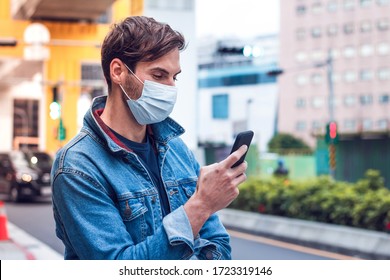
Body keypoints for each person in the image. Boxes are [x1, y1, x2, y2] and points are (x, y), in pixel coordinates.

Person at [51, 16, 248, 260]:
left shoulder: (177, 148)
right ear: (118, 71)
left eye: (174, 77)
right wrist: (202, 205)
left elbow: (218, 243)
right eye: (158, 75)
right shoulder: (76, 167)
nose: (170, 88)